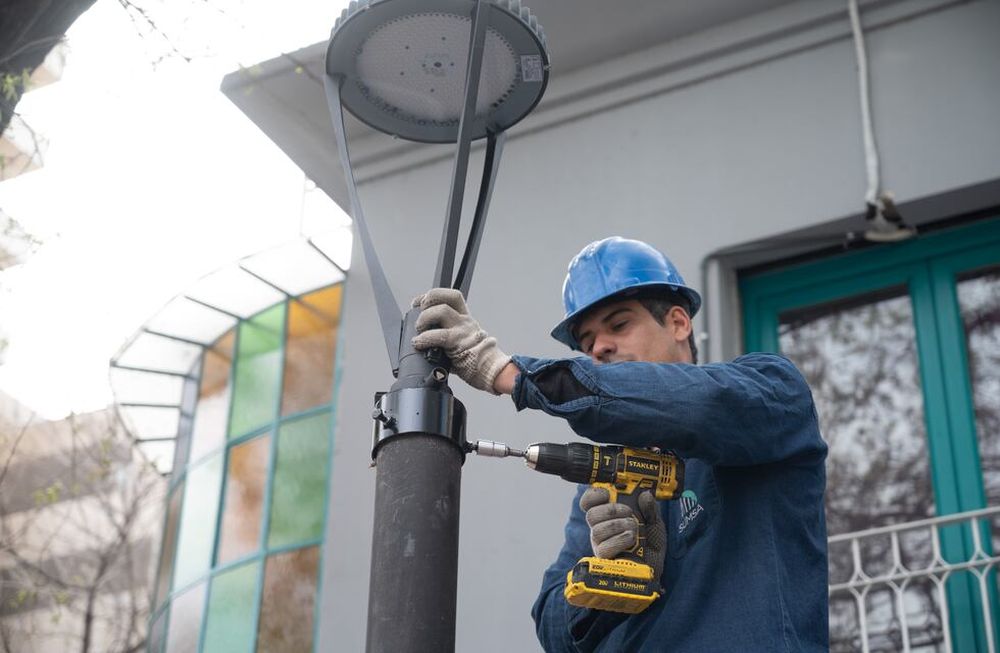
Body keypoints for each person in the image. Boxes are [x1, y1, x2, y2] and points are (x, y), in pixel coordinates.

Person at [411, 236, 828, 652]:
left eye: (618, 324)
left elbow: (694, 403)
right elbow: (554, 628)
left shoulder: (771, 392)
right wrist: (607, 574)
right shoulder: (611, 479)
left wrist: (509, 374)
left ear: (678, 323)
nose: (599, 347)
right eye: (587, 342)